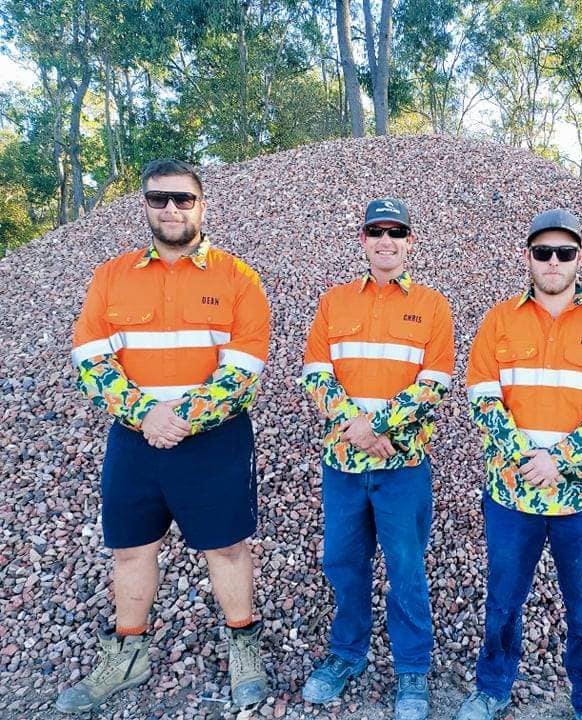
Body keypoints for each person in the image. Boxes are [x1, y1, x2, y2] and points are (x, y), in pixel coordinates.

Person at [59, 158, 271, 713]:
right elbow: (90, 357)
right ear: (145, 205)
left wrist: (181, 417)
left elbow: (245, 366)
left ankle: (243, 645)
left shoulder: (238, 277)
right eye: (159, 199)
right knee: (130, 549)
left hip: (215, 440)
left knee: (226, 546)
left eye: (182, 198)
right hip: (135, 439)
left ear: (203, 205)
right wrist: (145, 414)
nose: (171, 208)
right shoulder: (111, 276)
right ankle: (129, 655)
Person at [456, 208, 582, 720]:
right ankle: (492, 688)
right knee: (503, 601)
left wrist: (560, 460)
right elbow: (484, 401)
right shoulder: (499, 321)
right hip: (512, 496)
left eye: (564, 253)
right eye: (543, 252)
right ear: (528, 258)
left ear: (581, 258)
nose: (553, 262)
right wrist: (527, 460)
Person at [299, 198, 455, 720]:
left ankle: (412, 671)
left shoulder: (433, 306)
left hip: (403, 468)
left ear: (410, 241)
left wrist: (378, 427)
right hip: (343, 467)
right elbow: (316, 375)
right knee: (343, 563)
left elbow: (434, 383)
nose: (385, 241)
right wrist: (358, 429)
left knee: (406, 568)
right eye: (376, 232)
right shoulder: (333, 303)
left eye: (396, 232)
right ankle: (347, 654)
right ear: (362, 240)